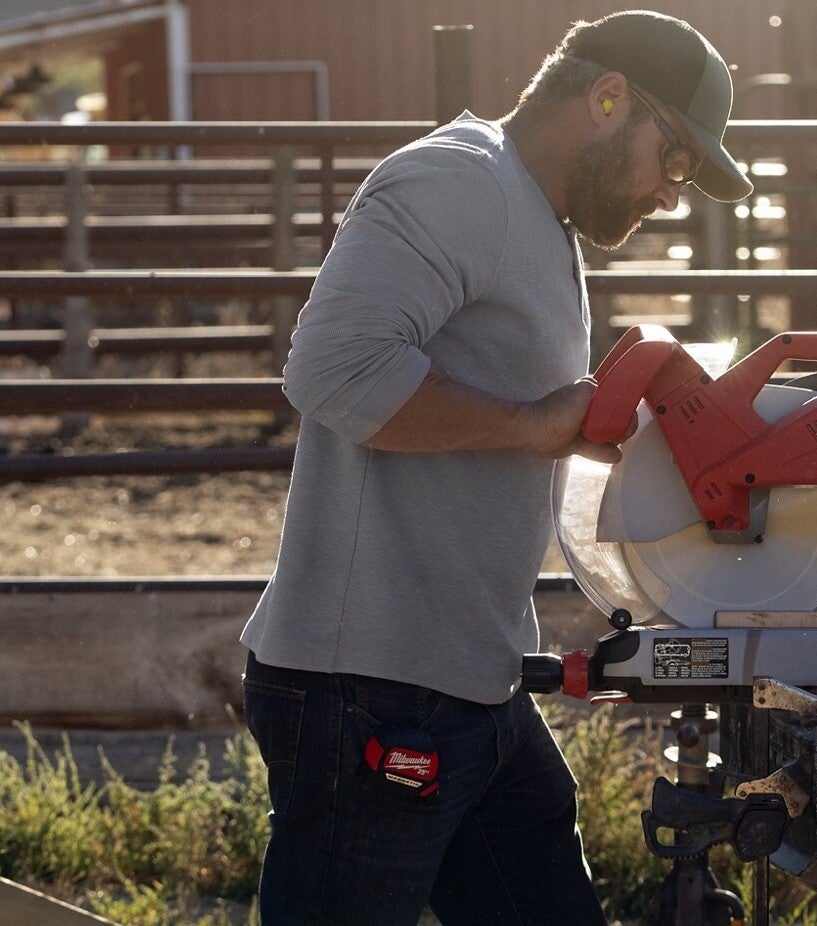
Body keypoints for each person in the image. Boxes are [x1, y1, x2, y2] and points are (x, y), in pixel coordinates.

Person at [238, 10, 753, 924]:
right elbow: (331, 369)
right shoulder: (458, 182)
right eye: (673, 160)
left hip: (470, 678)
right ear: (606, 99)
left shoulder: (537, 215)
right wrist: (527, 424)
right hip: (370, 689)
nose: (672, 195)